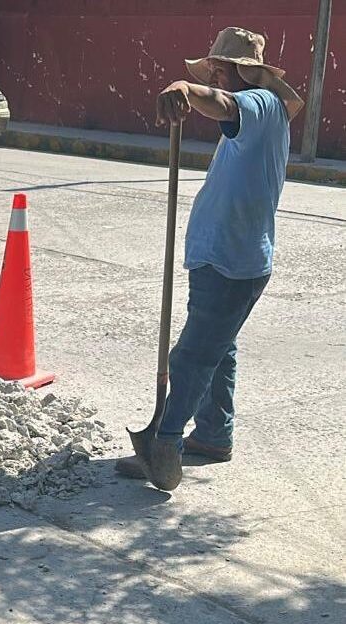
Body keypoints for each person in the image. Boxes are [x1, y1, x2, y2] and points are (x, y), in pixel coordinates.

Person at [117, 27, 304, 491]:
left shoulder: (259, 104)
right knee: (220, 350)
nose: (216, 78)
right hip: (229, 257)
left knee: (192, 357)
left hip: (230, 261)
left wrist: (184, 88)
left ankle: (166, 446)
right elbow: (223, 107)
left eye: (221, 70)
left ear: (246, 72)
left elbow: (223, 104)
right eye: (213, 71)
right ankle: (215, 436)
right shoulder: (265, 113)